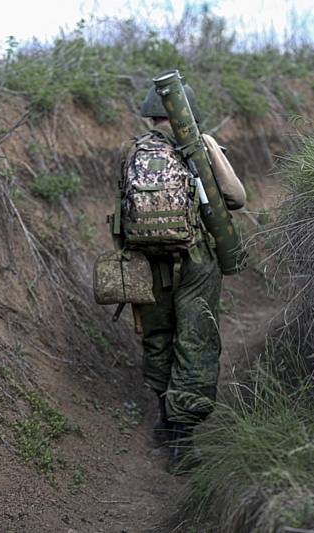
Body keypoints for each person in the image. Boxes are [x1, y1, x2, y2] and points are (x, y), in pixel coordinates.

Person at [117, 84, 246, 472]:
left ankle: (163, 420)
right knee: (195, 339)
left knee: (158, 337)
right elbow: (236, 198)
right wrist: (208, 148)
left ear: (149, 113)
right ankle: (182, 439)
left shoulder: (132, 150)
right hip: (195, 261)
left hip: (146, 261)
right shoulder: (197, 146)